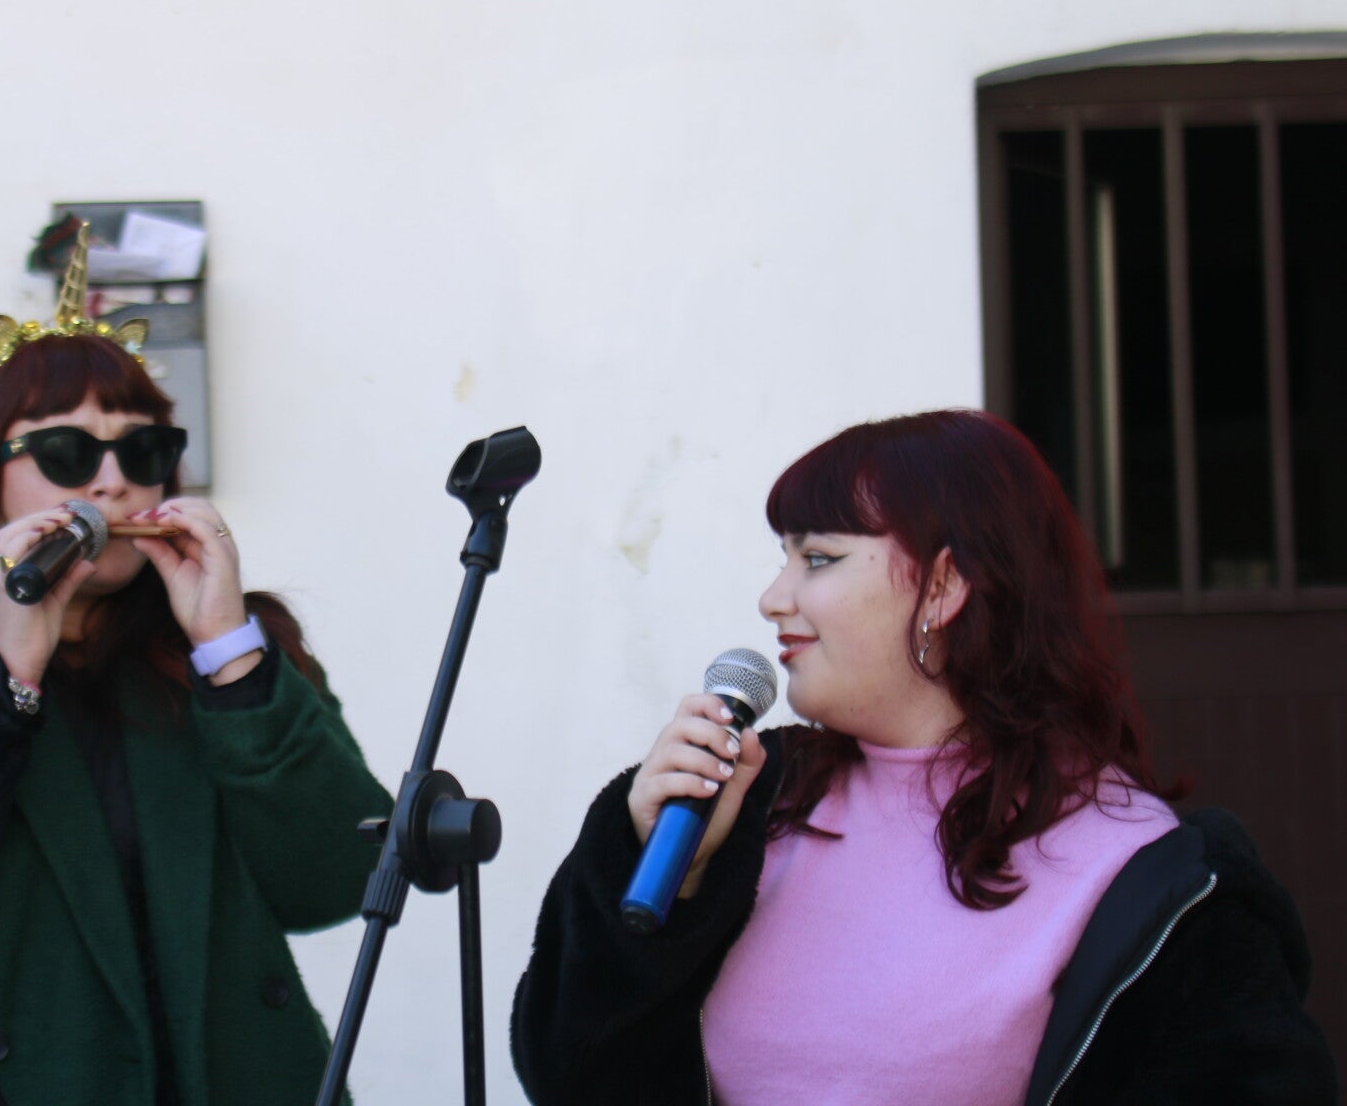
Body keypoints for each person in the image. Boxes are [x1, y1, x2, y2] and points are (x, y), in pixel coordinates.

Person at [510, 409, 1336, 1105]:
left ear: (944, 587)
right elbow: (571, 1075)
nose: (773, 599)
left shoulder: (1150, 880)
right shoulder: (753, 801)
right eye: (783, 558)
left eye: (818, 558)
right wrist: (652, 878)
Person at [0, 217, 392, 1106]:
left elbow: (335, 879)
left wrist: (230, 656)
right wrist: (4, 682)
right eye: (66, 452)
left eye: (143, 450)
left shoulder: (238, 649)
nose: (111, 482)